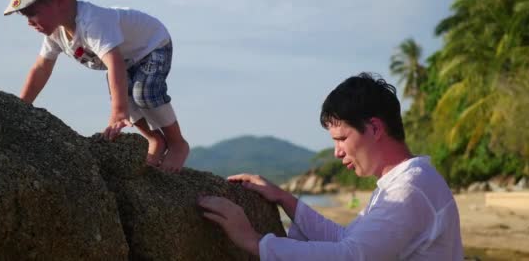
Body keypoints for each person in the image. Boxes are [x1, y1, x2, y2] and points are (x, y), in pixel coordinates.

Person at [198, 73, 463, 260]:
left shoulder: (408, 189)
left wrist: (253, 241)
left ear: (374, 128)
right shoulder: (403, 182)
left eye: (342, 138)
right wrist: (284, 198)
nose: (337, 152)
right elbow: (348, 239)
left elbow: (352, 255)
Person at [4, 0, 189, 172]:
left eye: (30, 11)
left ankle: (177, 143)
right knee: (125, 98)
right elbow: (41, 68)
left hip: (151, 44)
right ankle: (155, 139)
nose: (28, 21)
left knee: (144, 92)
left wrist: (117, 112)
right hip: (126, 59)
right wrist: (20, 106)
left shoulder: (92, 22)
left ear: (60, 1)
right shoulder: (56, 33)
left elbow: (115, 63)